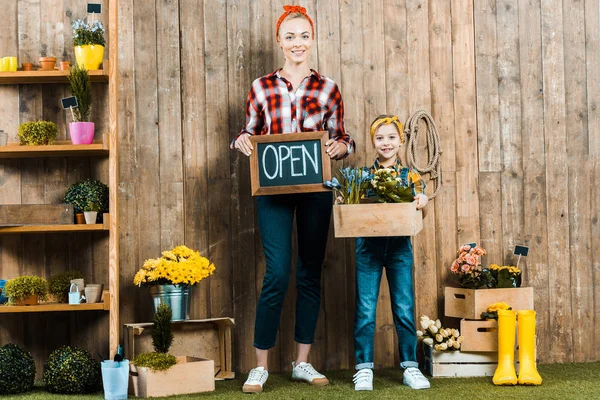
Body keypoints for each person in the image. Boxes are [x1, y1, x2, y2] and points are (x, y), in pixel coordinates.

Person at [231, 5, 354, 394]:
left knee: (309, 271)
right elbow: (248, 133)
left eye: (303, 35)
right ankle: (261, 365)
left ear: (311, 39)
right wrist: (242, 140)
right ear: (279, 42)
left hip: (316, 190)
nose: (297, 43)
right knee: (278, 272)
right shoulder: (261, 87)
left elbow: (343, 137)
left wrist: (339, 148)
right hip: (273, 191)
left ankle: (302, 362)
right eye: (290, 36)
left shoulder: (328, 88)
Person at [351, 115, 430, 391]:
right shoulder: (362, 176)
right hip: (368, 250)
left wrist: (422, 200)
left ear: (401, 141)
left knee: (405, 309)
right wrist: (343, 199)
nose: (386, 143)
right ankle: (363, 369)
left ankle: (410, 367)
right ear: (373, 142)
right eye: (380, 138)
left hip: (399, 250)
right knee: (365, 309)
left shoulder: (411, 176)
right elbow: (350, 209)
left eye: (391, 137)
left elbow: (422, 209)